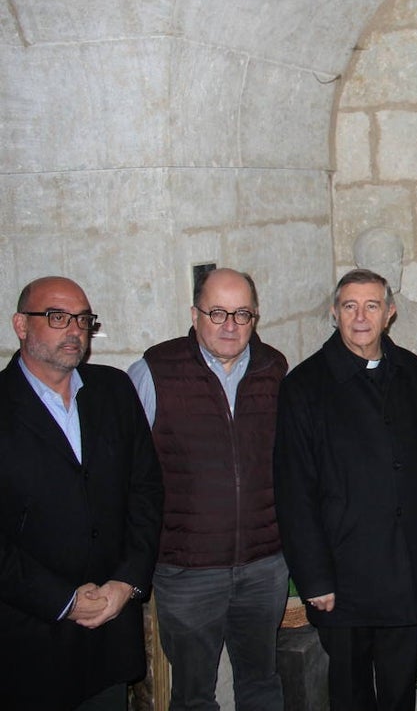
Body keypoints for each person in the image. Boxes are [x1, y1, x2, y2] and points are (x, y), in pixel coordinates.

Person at [274, 268, 417, 711]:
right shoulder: (303, 387)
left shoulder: (416, 375)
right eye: (350, 306)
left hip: (406, 570)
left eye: (372, 305)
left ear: (389, 313)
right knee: (349, 695)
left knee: (398, 692)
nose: (361, 316)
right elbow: (295, 493)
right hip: (343, 579)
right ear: (335, 314)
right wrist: (314, 578)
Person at [127, 268, 289, 710]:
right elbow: (128, 471)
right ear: (195, 314)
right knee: (195, 694)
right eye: (217, 312)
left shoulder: (274, 368)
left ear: (256, 317)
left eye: (242, 313)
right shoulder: (154, 371)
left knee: (261, 682)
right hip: (187, 571)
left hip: (263, 564)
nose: (230, 325)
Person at [0, 276, 163, 710]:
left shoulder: (113, 389)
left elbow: (146, 492)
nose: (74, 330)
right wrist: (64, 601)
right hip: (28, 640)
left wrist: (127, 582)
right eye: (57, 317)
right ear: (21, 324)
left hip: (108, 634)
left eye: (83, 319)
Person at [353, 226, 417, 355]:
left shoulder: (416, 312)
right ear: (362, 267)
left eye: (396, 262)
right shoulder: (350, 317)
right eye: (382, 264)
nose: (392, 271)